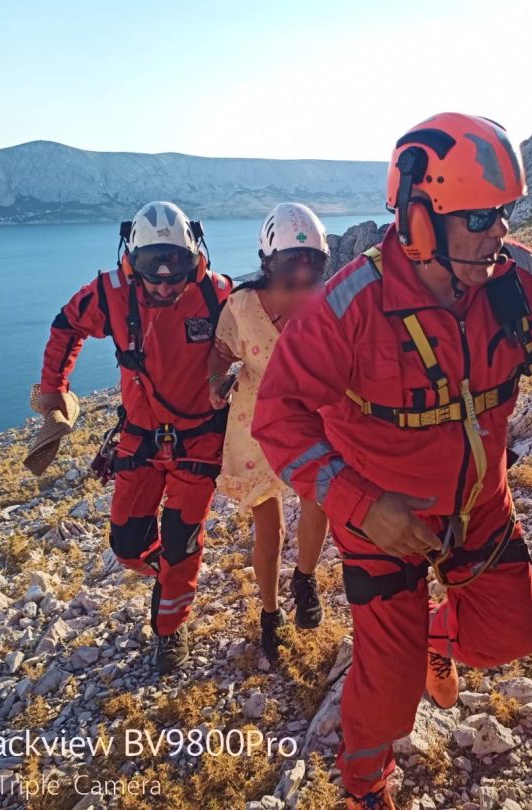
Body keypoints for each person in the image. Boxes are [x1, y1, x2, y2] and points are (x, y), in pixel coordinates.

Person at [252, 113, 532, 808]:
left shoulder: (516, 275)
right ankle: (366, 786)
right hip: (381, 524)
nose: (500, 231)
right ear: (420, 220)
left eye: (505, 213)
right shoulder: (349, 307)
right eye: (481, 217)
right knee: (389, 693)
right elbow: (277, 416)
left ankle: (431, 636)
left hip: (480, 503)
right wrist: (364, 507)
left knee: (517, 631)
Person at [38, 201, 232, 675]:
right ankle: (173, 571)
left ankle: (170, 628)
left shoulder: (217, 294)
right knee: (126, 545)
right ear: (133, 261)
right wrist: (54, 389)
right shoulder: (111, 294)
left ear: (193, 259)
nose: (165, 284)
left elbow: (264, 331)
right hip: (140, 440)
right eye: (153, 274)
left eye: (176, 273)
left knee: (182, 541)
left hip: (200, 443)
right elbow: (67, 325)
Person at [207, 203, 330, 660]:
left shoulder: (327, 304)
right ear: (267, 265)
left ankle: (305, 579)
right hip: (255, 420)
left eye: (310, 273)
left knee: (319, 498)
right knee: (269, 526)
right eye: (289, 274)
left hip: (310, 413)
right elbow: (221, 351)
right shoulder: (241, 306)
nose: (300, 285)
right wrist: (215, 383)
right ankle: (270, 612)